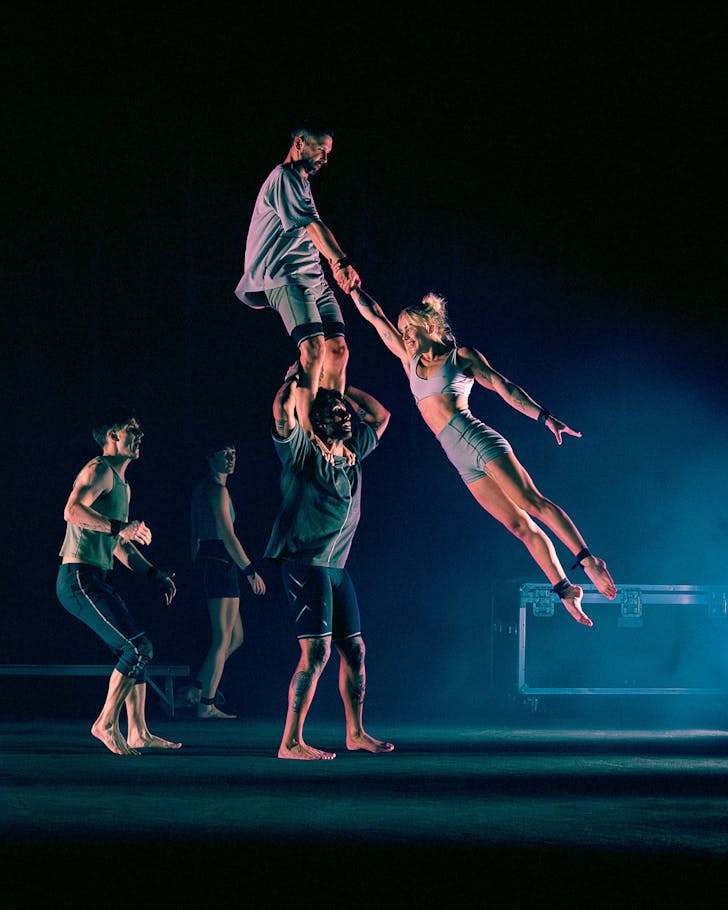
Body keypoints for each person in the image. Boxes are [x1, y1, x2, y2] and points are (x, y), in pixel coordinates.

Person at [349, 286, 618, 626]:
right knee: (520, 526)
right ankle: (567, 591)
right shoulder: (409, 358)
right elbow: (375, 316)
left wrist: (545, 417)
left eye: (410, 330)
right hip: (460, 459)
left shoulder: (461, 357)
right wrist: (352, 287)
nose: (405, 337)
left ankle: (589, 560)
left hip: (479, 441)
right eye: (402, 332)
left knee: (532, 501)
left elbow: (504, 387)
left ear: (430, 327)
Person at [266, 365, 394, 759]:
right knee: (316, 654)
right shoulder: (304, 451)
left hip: (337, 568)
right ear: (319, 421)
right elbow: (281, 413)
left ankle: (355, 733)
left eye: (345, 412)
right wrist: (295, 383)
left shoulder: (352, 454)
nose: (347, 417)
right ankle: (290, 742)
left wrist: (337, 388)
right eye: (337, 413)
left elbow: (381, 415)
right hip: (305, 564)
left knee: (355, 651)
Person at [56, 407, 181, 755]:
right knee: (138, 648)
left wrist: (155, 573)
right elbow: (73, 511)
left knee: (137, 649)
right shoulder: (99, 469)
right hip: (78, 578)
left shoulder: (122, 483)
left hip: (97, 577)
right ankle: (105, 724)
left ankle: (139, 731)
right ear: (112, 436)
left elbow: (119, 547)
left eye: (139, 430)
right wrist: (119, 527)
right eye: (131, 430)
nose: (139, 436)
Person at [234, 119, 361, 444]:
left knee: (338, 350)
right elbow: (312, 226)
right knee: (314, 349)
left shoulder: (301, 183)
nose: (325, 158)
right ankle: (308, 435)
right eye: (320, 149)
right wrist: (340, 260)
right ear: (300, 141)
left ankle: (331, 426)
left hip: (313, 278)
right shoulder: (284, 177)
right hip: (284, 277)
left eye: (329, 152)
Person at [186, 437, 266, 719]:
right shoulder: (215, 490)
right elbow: (227, 535)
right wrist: (250, 571)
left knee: (237, 637)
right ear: (210, 458)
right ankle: (205, 704)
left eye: (233, 453)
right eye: (224, 453)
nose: (231, 458)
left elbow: (194, 535)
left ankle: (197, 687)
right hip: (220, 558)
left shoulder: (206, 489)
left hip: (216, 561)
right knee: (222, 639)